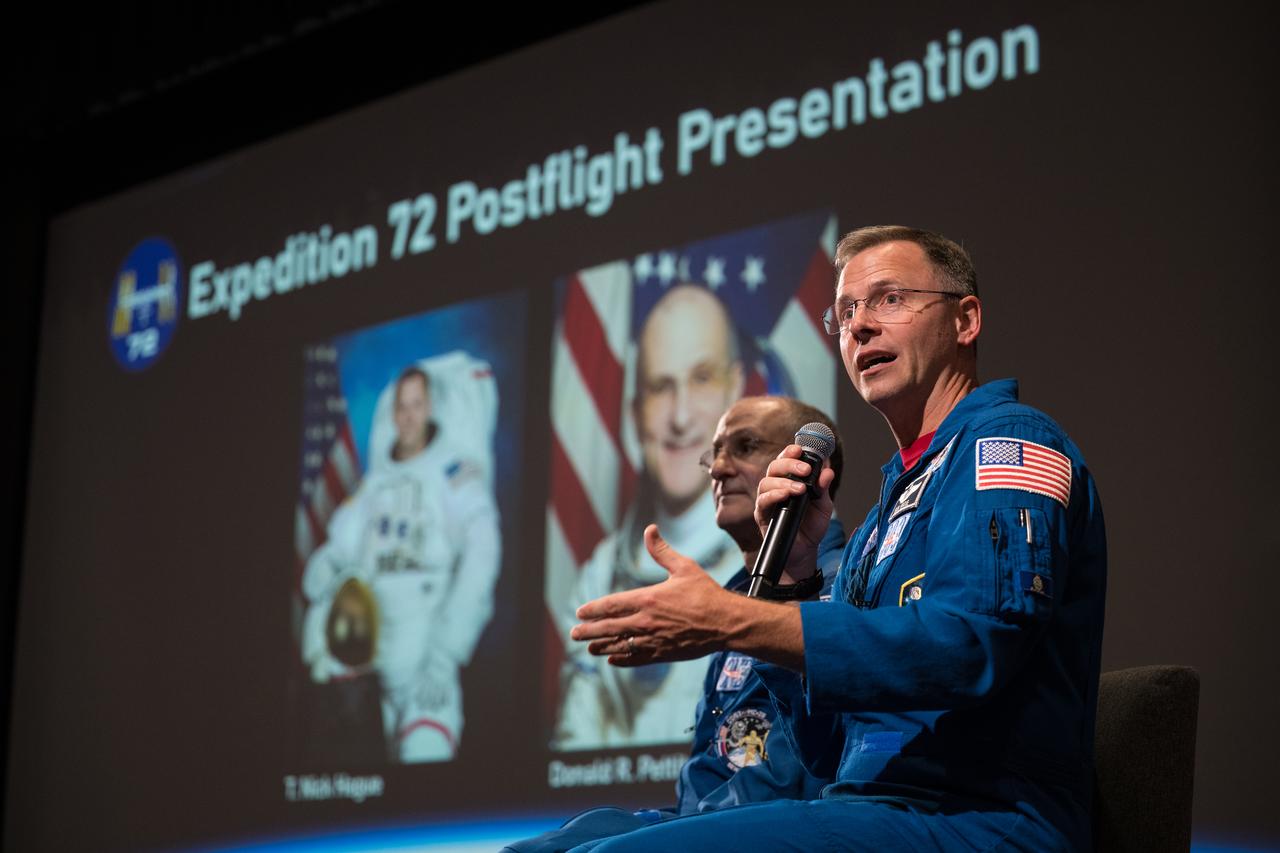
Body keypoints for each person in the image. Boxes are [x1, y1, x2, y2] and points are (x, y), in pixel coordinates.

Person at [570, 226, 1107, 851]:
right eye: (846, 311)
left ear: (965, 320)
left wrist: (734, 620)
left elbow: (973, 643)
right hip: (869, 810)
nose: (859, 326)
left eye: (889, 299)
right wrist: (795, 578)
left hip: (981, 821)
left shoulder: (1009, 445)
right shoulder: (884, 512)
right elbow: (824, 749)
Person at [510, 395, 847, 852]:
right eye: (716, 451)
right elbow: (709, 768)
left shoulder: (846, 580)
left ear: (806, 467)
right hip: (703, 817)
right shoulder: (729, 592)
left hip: (781, 823)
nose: (718, 468)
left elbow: (804, 772)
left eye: (745, 446)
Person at [554, 285, 749, 749]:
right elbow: (577, 749)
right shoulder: (596, 580)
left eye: (701, 378)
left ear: (735, 388)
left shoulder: (784, 562)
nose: (680, 417)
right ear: (636, 413)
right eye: (661, 388)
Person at [302, 355, 502, 763]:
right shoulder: (375, 485)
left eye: (416, 405)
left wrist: (447, 651)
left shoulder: (454, 474)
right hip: (369, 666)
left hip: (427, 662)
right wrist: (323, 571)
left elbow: (484, 550)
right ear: (392, 413)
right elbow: (338, 549)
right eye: (401, 406)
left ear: (429, 408)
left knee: (425, 761)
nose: (408, 416)